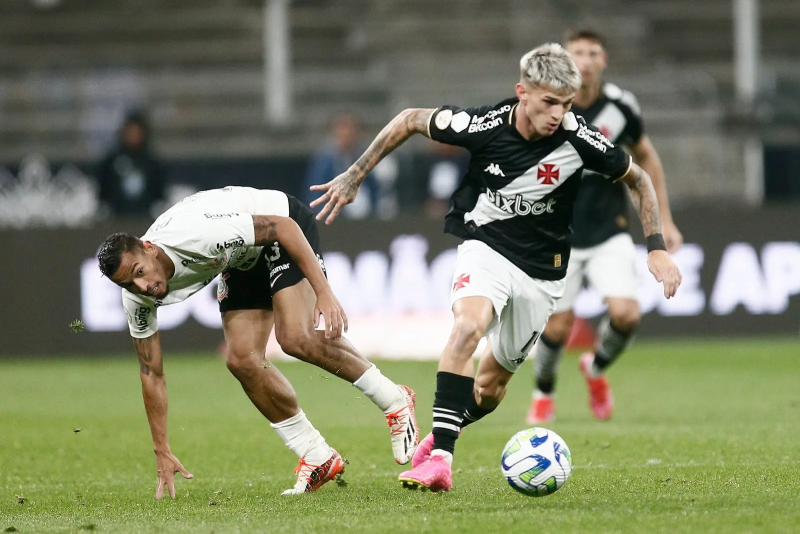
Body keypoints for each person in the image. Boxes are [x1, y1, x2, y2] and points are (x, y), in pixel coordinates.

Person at [310, 43, 682, 492]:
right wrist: (355, 174)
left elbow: (638, 178)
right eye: (548, 103)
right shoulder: (483, 125)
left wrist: (656, 246)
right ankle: (441, 461)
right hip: (486, 248)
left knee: (489, 389)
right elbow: (410, 118)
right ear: (522, 92)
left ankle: (443, 431)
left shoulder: (579, 137)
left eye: (566, 105)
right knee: (467, 327)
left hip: (543, 272)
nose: (558, 114)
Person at [96, 186, 419, 498]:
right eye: (130, 283)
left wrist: (324, 293)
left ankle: (394, 400)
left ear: (150, 248)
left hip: (279, 223)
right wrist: (162, 449)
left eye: (140, 272)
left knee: (296, 338)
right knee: (242, 360)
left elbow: (285, 227)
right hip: (238, 258)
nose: (143, 286)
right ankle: (316, 455)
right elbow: (152, 374)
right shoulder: (137, 299)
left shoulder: (196, 238)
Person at [526, 30, 684, 425]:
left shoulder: (620, 107)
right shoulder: (546, 103)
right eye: (577, 51)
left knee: (627, 314)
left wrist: (664, 219)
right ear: (564, 59)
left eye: (593, 52)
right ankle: (544, 392)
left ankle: (594, 369)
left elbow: (647, 159)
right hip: (556, 232)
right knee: (558, 325)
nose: (585, 58)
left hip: (608, 228)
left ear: (604, 61)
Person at [96, 110, 166, 218]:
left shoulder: (152, 163)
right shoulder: (111, 161)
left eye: (137, 131)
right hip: (116, 218)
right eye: (130, 131)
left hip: (144, 219)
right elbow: (103, 191)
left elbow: (159, 195)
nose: (133, 135)